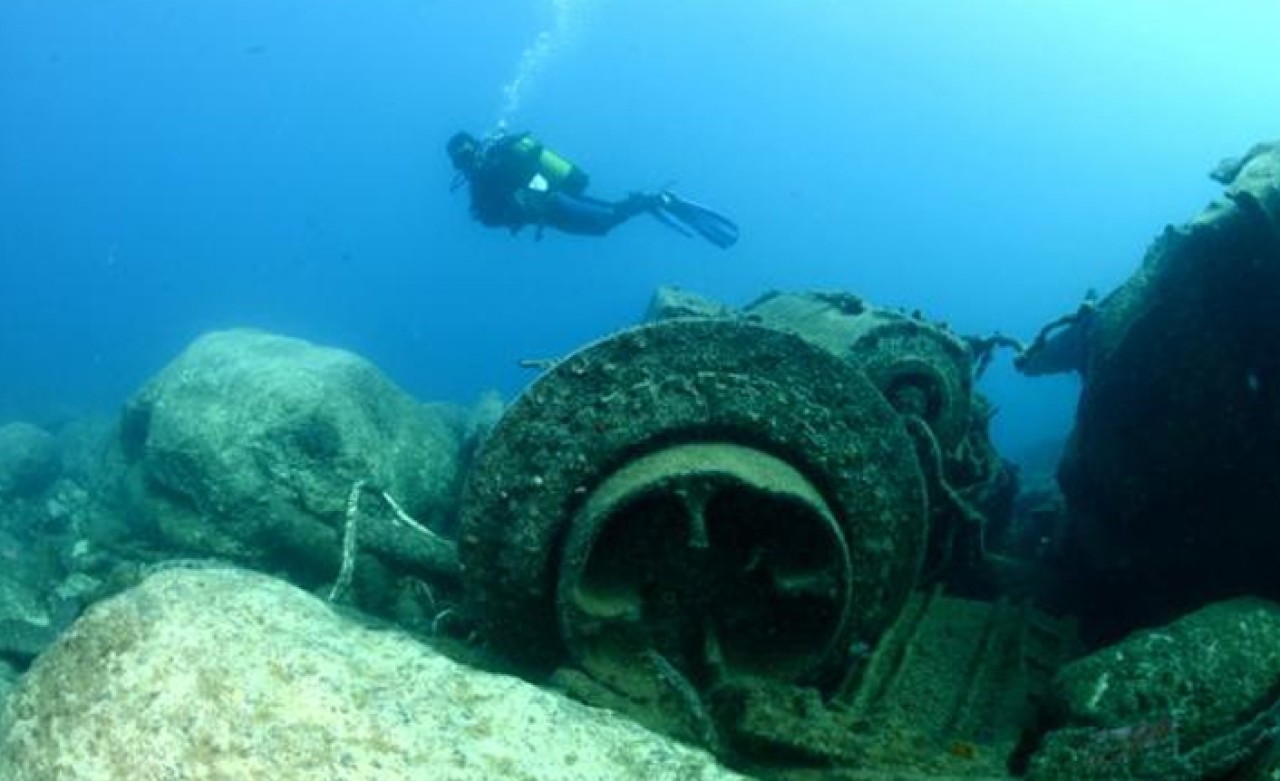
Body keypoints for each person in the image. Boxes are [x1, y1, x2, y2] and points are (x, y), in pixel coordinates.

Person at [446, 129, 738, 248]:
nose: (466, 160)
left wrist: (527, 197)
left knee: (605, 219)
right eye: (460, 159)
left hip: (553, 200)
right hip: (546, 214)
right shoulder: (477, 184)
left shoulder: (500, 157)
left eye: (466, 153)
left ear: (475, 146)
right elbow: (487, 217)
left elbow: (528, 174)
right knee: (602, 226)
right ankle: (650, 202)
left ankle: (656, 200)